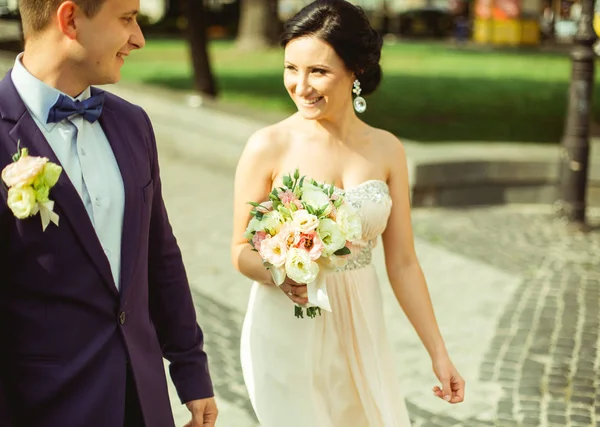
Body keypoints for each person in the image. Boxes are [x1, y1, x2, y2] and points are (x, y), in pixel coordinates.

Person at [230, 0, 465, 425]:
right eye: (290, 68)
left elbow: (405, 263)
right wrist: (282, 272)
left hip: (361, 320)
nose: (301, 86)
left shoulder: (387, 149)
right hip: (288, 322)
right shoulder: (267, 146)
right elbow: (240, 250)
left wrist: (439, 353)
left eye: (317, 71)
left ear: (355, 69)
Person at [0, 1, 217, 426]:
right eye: (127, 18)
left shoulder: (132, 123)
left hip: (142, 400)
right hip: (42, 406)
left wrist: (191, 370)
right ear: (70, 19)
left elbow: (160, 256)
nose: (138, 38)